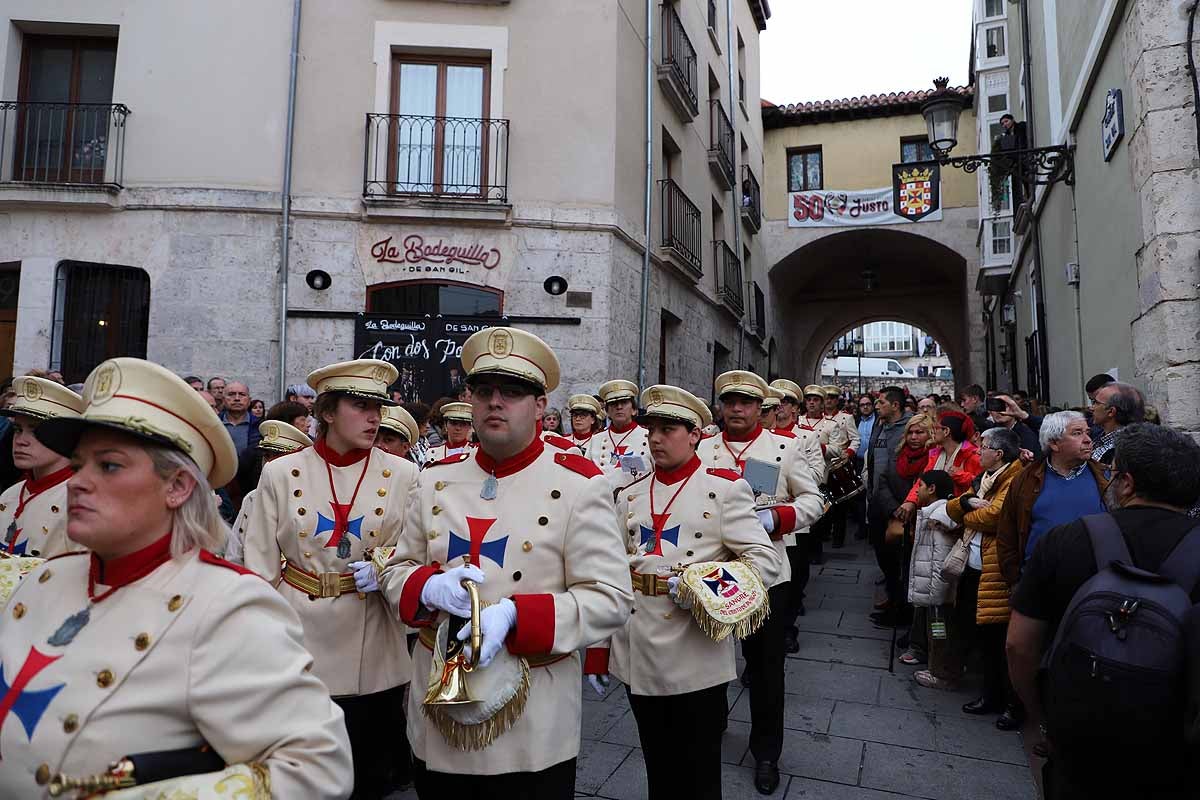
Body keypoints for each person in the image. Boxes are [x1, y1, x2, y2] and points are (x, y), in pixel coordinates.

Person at [0, 357, 351, 798]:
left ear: (178, 487)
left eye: (108, 466)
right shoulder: (42, 582)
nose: (76, 482)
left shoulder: (226, 606)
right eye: (77, 463)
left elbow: (316, 769)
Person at [379, 326, 633, 796]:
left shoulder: (581, 485)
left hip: (530, 719)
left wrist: (518, 614)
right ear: (470, 400)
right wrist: (426, 587)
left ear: (540, 406)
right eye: (484, 390)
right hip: (439, 708)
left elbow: (611, 598)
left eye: (513, 392)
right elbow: (396, 569)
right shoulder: (434, 479)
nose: (496, 402)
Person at [590, 385, 781, 800]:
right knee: (657, 763)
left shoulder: (726, 489)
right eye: (651, 429)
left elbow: (765, 561)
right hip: (638, 644)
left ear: (694, 434)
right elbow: (611, 570)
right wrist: (599, 647)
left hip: (695, 648)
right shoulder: (631, 492)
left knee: (698, 771)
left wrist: (704, 584)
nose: (655, 438)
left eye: (668, 429)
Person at [243, 358, 419, 800]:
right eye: (360, 405)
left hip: (372, 635)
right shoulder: (280, 472)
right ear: (326, 412)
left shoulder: (404, 475)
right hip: (299, 635)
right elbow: (259, 564)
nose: (374, 416)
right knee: (301, 773)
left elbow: (417, 551)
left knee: (369, 773)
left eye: (378, 406)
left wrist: (387, 568)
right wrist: (260, 644)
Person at [1007, 423, 1200, 799]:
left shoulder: (1066, 540)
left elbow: (1019, 645)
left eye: (1113, 473)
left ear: (1127, 483)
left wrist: (1041, 714)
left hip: (1082, 730)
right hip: (1174, 742)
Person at [699, 370, 824, 794]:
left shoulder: (784, 449)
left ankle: (767, 751)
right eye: (730, 401)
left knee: (766, 667)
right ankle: (712, 725)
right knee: (707, 655)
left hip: (767, 571)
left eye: (746, 403)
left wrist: (778, 517)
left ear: (761, 408)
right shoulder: (700, 449)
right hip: (711, 571)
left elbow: (813, 500)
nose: (737, 409)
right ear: (720, 405)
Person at [943, 426, 1025, 729]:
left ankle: (1011, 703)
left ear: (998, 454)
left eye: (983, 448)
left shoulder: (1014, 477)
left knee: (1000, 640)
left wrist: (968, 513)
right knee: (981, 635)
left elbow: (996, 517)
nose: (978, 452)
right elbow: (954, 506)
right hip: (974, 564)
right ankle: (990, 694)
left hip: (995, 569)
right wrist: (966, 503)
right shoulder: (983, 479)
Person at [996, 411, 1111, 586]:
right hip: (1039, 585)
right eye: (1077, 433)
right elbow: (1007, 532)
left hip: (1095, 585)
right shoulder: (1025, 480)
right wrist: (1015, 582)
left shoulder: (1106, 476)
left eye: (1087, 432)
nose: (1088, 439)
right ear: (1054, 443)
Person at [0, 377, 84, 557]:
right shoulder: (9, 495)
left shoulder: (81, 501)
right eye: (17, 429)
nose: (21, 441)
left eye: (36, 431)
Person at [226, 419, 312, 564]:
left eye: (279, 457)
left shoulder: (313, 499)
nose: (269, 463)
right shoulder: (252, 498)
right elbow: (235, 554)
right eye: (267, 455)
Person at [904, 470, 960, 689]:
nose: (917, 490)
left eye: (921, 486)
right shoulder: (933, 513)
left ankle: (940, 672)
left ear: (932, 489)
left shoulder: (939, 518)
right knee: (937, 630)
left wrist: (936, 595)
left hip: (937, 594)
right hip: (934, 591)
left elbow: (940, 560)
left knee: (939, 631)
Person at [882, 412, 935, 635]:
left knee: (918, 575)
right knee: (899, 568)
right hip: (899, 516)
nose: (914, 437)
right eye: (911, 432)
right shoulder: (899, 453)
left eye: (919, 432)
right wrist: (895, 506)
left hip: (922, 520)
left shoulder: (932, 457)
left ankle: (914, 627)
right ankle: (898, 609)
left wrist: (912, 505)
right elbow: (884, 479)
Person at [866, 388, 914, 626]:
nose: (876, 405)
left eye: (881, 402)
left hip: (896, 505)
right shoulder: (881, 425)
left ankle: (901, 610)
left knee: (899, 561)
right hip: (876, 500)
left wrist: (898, 505)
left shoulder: (908, 430)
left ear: (895, 405)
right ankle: (893, 602)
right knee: (884, 557)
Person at [591, 379, 651, 490]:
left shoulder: (648, 438)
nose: (619, 407)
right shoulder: (595, 440)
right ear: (607, 412)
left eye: (624, 402)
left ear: (634, 410)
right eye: (613, 404)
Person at [1089, 381, 1145, 464]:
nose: (1091, 408)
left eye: (1096, 403)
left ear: (1111, 411)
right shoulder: (1099, 438)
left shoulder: (1124, 450)